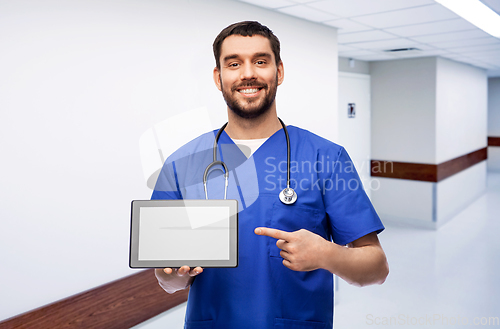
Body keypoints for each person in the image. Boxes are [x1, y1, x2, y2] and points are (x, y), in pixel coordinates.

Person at [153, 21, 388, 329]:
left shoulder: (326, 158)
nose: (247, 73)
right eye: (233, 63)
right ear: (218, 76)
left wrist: (327, 253)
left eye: (260, 61)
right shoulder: (181, 164)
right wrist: (174, 275)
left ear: (278, 71)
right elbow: (166, 280)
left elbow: (377, 267)